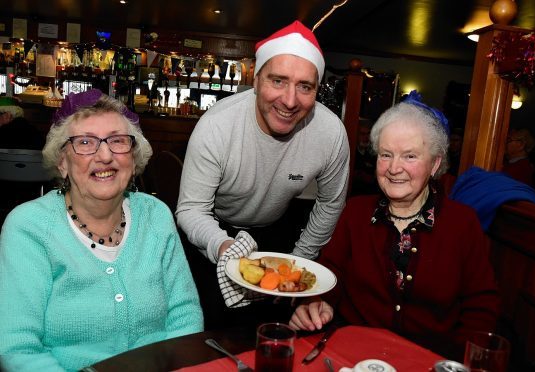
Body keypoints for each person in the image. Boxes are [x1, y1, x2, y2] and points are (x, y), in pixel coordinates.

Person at [0, 89, 203, 371]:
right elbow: (18, 349)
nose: (105, 155)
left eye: (118, 141)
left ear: (133, 158)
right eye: (85, 142)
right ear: (62, 162)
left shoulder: (156, 215)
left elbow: (185, 316)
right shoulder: (29, 228)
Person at [289, 91, 500, 359]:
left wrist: (454, 361)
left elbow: (481, 307)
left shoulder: (462, 223)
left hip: (429, 360)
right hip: (354, 357)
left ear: (434, 164)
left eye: (410, 156)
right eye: (386, 155)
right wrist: (316, 303)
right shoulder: (355, 211)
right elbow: (330, 275)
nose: (394, 168)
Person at [176, 20, 350, 328]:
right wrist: (223, 246)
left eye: (305, 87)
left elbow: (330, 203)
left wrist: (299, 259)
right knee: (213, 328)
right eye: (278, 81)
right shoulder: (217, 126)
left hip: (279, 231)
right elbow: (191, 209)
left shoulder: (330, 133)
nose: (290, 100)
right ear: (256, 79)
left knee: (276, 329)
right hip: (215, 231)